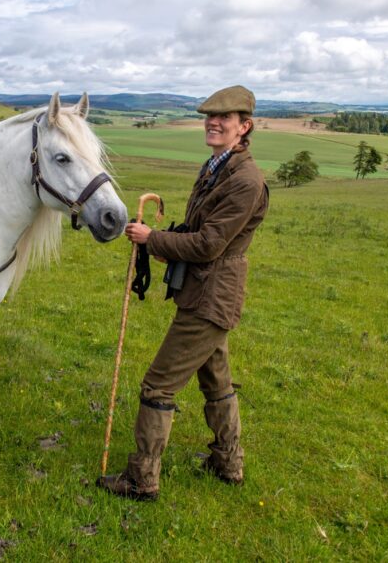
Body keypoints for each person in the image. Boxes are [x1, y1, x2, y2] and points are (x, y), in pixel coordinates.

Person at [97, 85, 268, 500]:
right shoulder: (216, 166)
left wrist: (153, 239)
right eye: (209, 115)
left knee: (158, 385)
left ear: (244, 127)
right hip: (203, 291)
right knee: (216, 381)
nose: (213, 122)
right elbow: (196, 231)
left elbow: (210, 244)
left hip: (211, 298)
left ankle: (141, 479)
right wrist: (166, 238)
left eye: (224, 118)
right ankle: (228, 462)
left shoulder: (245, 180)